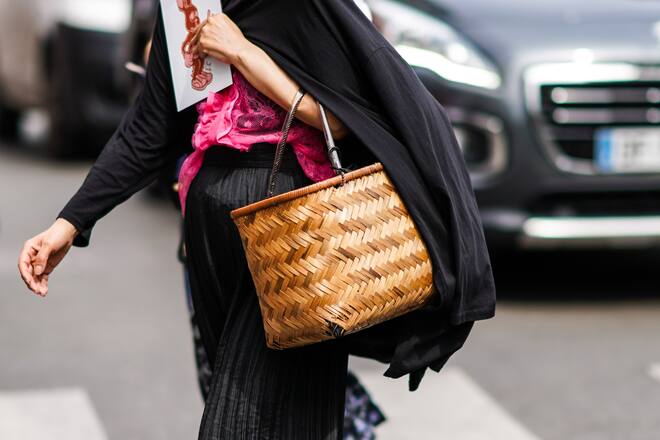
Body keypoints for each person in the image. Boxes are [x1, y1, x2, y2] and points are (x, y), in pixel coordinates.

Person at [19, 1, 496, 439]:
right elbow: (150, 130)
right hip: (211, 233)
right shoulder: (187, 5)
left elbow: (343, 113)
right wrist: (70, 223)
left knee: (243, 422)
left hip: (293, 230)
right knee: (278, 416)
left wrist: (244, 55)